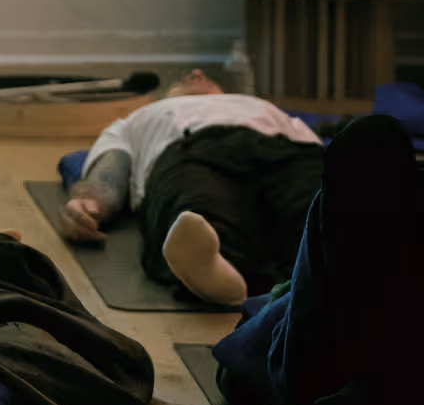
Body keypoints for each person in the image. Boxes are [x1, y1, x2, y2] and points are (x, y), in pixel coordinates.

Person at [213, 114, 423, 405]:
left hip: (325, 340)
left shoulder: (278, 119)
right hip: (334, 351)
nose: (197, 73)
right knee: (371, 142)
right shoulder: (147, 122)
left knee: (361, 154)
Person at [58, 69, 323, 305]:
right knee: (197, 208)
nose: (196, 72)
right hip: (194, 151)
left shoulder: (261, 106)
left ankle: (330, 264)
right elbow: (110, 169)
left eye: (205, 76)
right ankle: (218, 275)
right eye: (183, 79)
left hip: (284, 151)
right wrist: (89, 203)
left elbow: (319, 158)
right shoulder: (139, 119)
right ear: (168, 97)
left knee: (313, 200)